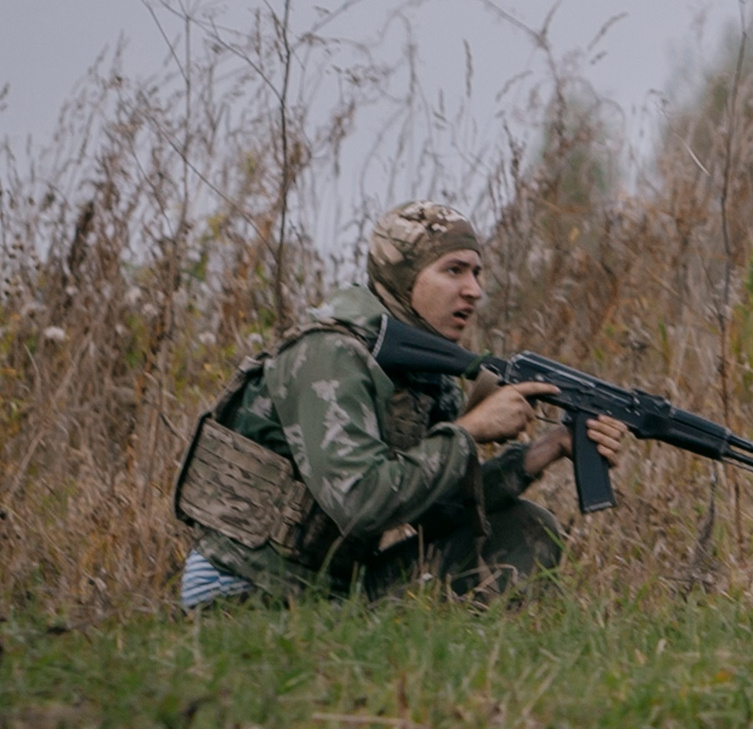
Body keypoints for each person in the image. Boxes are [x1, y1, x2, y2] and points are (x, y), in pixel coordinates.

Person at [175, 201, 625, 605]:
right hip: (247, 588)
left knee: (525, 528)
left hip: (331, 589)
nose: (474, 289)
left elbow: (439, 511)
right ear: (403, 277)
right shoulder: (328, 355)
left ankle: (469, 677)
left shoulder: (426, 376)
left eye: (476, 272)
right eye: (454, 270)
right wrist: (469, 431)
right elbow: (360, 502)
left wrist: (541, 451)